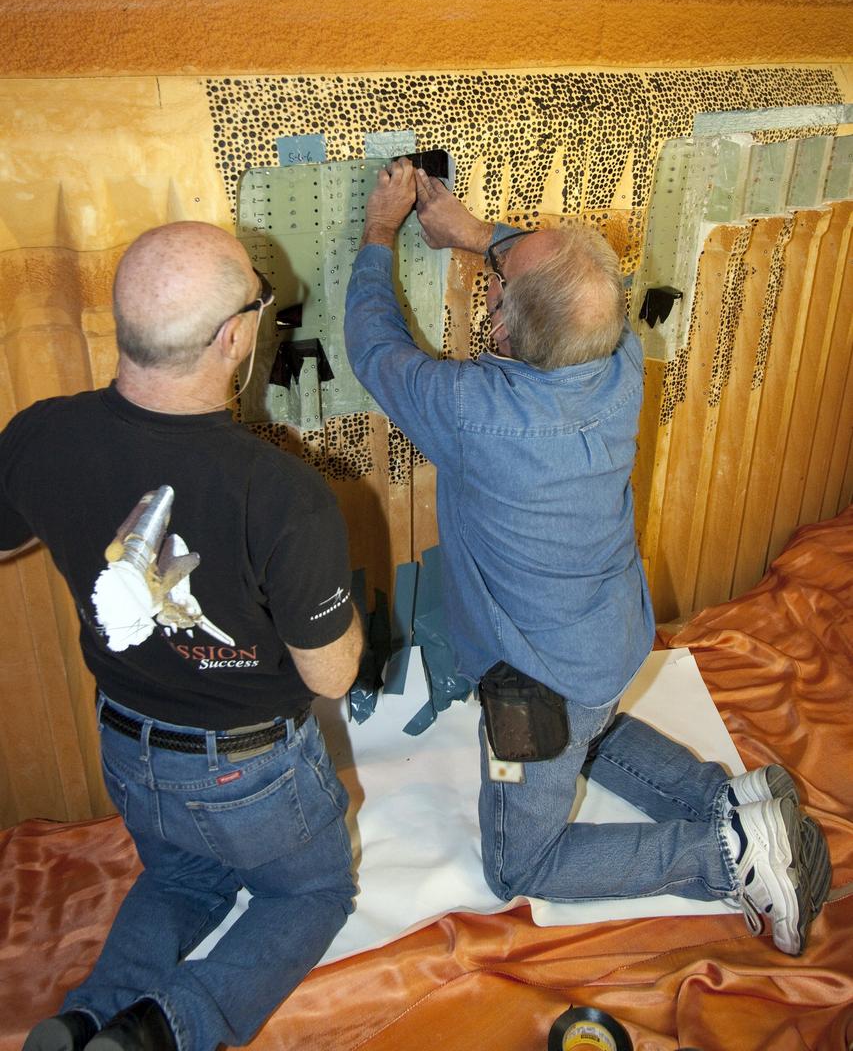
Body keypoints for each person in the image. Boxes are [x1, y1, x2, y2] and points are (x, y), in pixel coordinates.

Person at [343, 157, 831, 957]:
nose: (492, 276)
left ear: (502, 330)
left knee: (519, 863)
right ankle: (727, 799)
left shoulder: (473, 414)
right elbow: (567, 284)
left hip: (540, 685)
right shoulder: (617, 360)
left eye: (497, 283)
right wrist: (473, 234)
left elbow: (372, 346)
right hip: (607, 643)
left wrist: (377, 230)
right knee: (591, 728)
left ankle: (724, 853)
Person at [2, 221, 363, 1051]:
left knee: (182, 876)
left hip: (127, 746)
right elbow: (334, 677)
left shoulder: (41, 434)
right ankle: (165, 1029)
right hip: (246, 771)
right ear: (233, 337)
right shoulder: (283, 493)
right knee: (310, 895)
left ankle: (85, 1019)